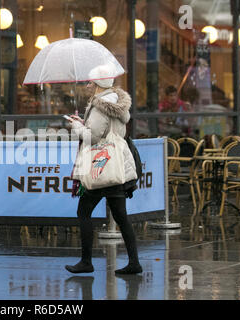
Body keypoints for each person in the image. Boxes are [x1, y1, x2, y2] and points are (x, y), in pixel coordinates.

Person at [66, 65, 143, 275]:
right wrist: (85, 123)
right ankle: (134, 262)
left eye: (90, 82)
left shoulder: (100, 106)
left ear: (99, 84)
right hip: (117, 167)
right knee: (121, 216)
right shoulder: (118, 103)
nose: (88, 85)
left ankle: (86, 261)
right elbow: (108, 130)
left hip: (101, 166)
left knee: (83, 212)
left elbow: (94, 137)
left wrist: (77, 127)